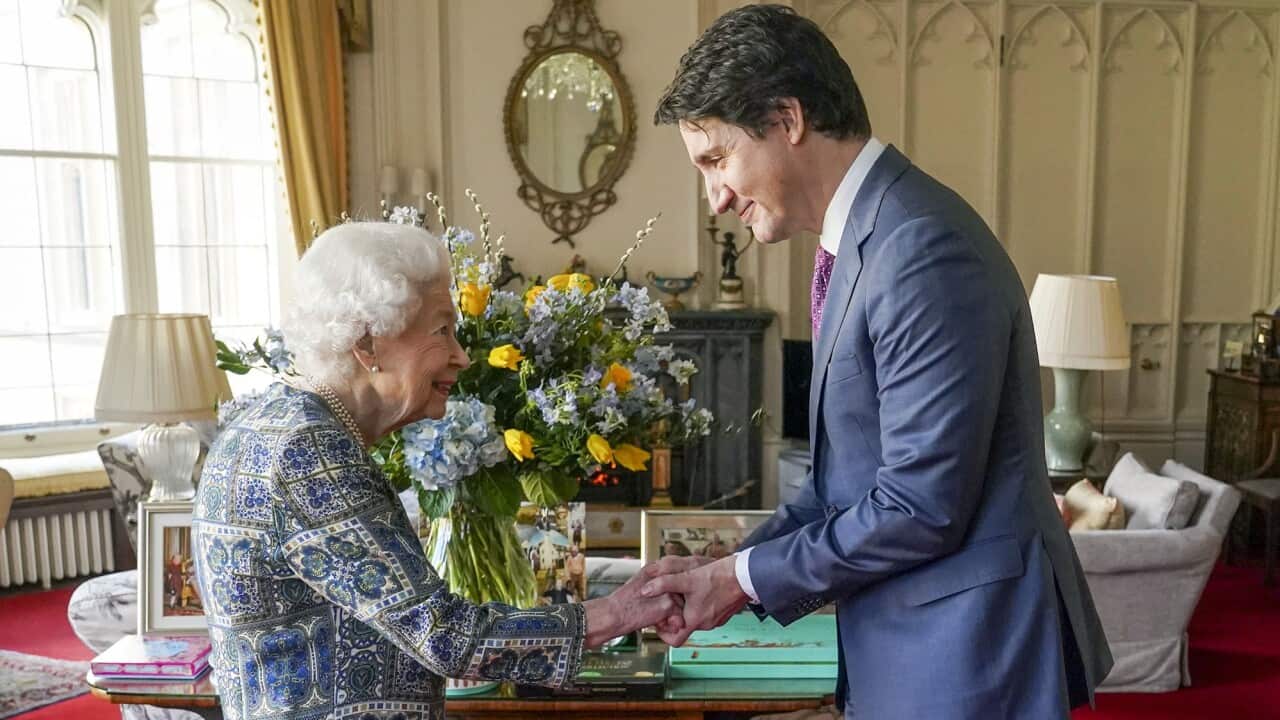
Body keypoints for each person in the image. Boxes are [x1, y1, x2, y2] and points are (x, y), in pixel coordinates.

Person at [641, 6, 1113, 719]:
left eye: (716, 160)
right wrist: (721, 567)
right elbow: (841, 486)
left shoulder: (921, 247)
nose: (716, 197)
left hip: (968, 657)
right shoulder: (862, 239)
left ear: (787, 119)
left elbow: (920, 507)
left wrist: (739, 580)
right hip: (916, 642)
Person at [191, 221, 680, 720]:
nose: (462, 356)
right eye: (442, 331)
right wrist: (616, 614)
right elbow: (441, 633)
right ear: (369, 344)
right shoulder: (307, 450)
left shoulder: (270, 426)